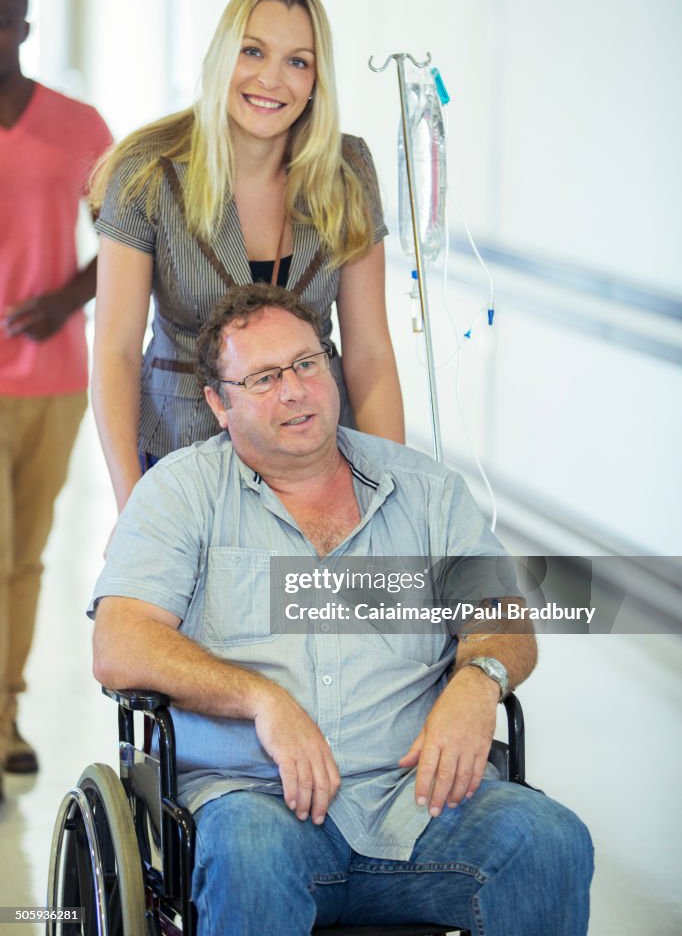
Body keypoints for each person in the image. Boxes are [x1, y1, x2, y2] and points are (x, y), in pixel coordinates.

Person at [90, 284, 593, 936]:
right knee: (249, 853)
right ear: (219, 402)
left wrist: (481, 679)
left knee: (549, 839)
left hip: (419, 801)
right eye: (264, 377)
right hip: (258, 803)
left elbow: (502, 615)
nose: (294, 390)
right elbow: (120, 642)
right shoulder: (180, 495)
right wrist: (261, 699)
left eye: (306, 363)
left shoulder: (426, 492)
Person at [90, 0, 404, 514]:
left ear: (316, 80)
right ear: (221, 58)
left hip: (318, 460)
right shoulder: (148, 172)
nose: (271, 79)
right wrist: (131, 504)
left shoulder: (348, 170)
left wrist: (396, 496)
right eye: (252, 51)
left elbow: (370, 353)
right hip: (182, 452)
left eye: (297, 61)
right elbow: (115, 351)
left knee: (304, 601)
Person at [0, 0, 112, 795]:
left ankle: (6, 709)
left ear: (24, 31)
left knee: (26, 559)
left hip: (54, 378)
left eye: (1, 23)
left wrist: (64, 300)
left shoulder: (79, 126)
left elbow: (128, 234)